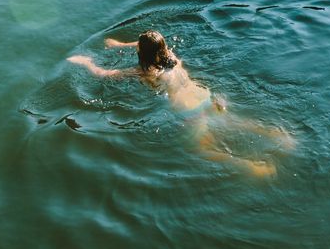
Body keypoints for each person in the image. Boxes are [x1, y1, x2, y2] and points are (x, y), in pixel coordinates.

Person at [69, 30, 295, 176]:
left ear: (142, 53)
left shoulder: (145, 72)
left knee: (201, 148)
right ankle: (277, 136)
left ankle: (251, 167)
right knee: (233, 122)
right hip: (203, 96)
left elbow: (104, 74)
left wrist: (86, 62)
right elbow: (153, 46)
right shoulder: (172, 58)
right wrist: (121, 44)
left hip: (188, 110)